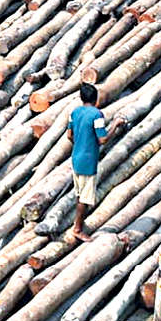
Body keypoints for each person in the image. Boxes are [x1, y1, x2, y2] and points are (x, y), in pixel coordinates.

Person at [68, 83, 111, 243]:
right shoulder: (97, 115)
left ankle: (79, 222)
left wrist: (81, 143)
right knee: (85, 198)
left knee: (80, 193)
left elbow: (69, 135)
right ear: (96, 98)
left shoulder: (74, 112)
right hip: (88, 160)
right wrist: (115, 126)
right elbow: (103, 139)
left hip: (76, 157)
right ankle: (78, 229)